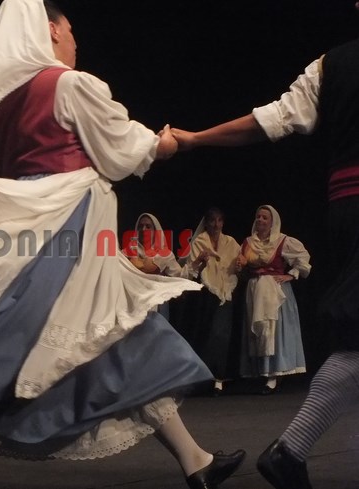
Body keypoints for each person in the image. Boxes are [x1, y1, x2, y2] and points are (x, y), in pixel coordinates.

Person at [0, 2, 246, 489]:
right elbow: (117, 147)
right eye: (70, 31)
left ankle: (196, 460)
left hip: (21, 226)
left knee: (105, 333)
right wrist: (160, 146)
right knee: (27, 337)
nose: (75, 41)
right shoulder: (70, 85)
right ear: (50, 30)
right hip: (66, 227)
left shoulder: (1, 100)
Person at [170, 6, 359, 483]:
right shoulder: (331, 64)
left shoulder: (331, 64)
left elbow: (272, 118)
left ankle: (290, 452)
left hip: (347, 208)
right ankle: (289, 451)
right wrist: (196, 139)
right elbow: (272, 119)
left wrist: (196, 139)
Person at [235, 205, 311, 395]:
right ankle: (262, 371)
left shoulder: (282, 241)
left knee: (273, 330)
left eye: (265, 217)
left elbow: (303, 258)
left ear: (272, 222)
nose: (260, 220)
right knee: (259, 331)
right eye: (258, 216)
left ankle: (274, 376)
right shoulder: (248, 242)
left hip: (274, 291)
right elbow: (242, 272)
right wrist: (241, 267)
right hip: (254, 289)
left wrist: (291, 275)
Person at [184, 207, 241, 396]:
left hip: (225, 293)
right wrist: (201, 261)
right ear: (206, 223)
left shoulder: (230, 242)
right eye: (212, 221)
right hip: (206, 294)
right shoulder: (199, 242)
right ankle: (204, 378)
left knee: (222, 334)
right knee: (206, 334)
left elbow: (237, 266)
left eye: (219, 220)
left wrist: (239, 266)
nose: (216, 225)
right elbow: (191, 271)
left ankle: (219, 377)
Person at [127, 212, 199, 319]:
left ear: (155, 230)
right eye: (140, 226)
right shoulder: (129, 251)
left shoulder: (164, 255)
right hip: (133, 303)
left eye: (148, 226)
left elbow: (179, 276)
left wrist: (196, 263)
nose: (143, 229)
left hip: (156, 304)